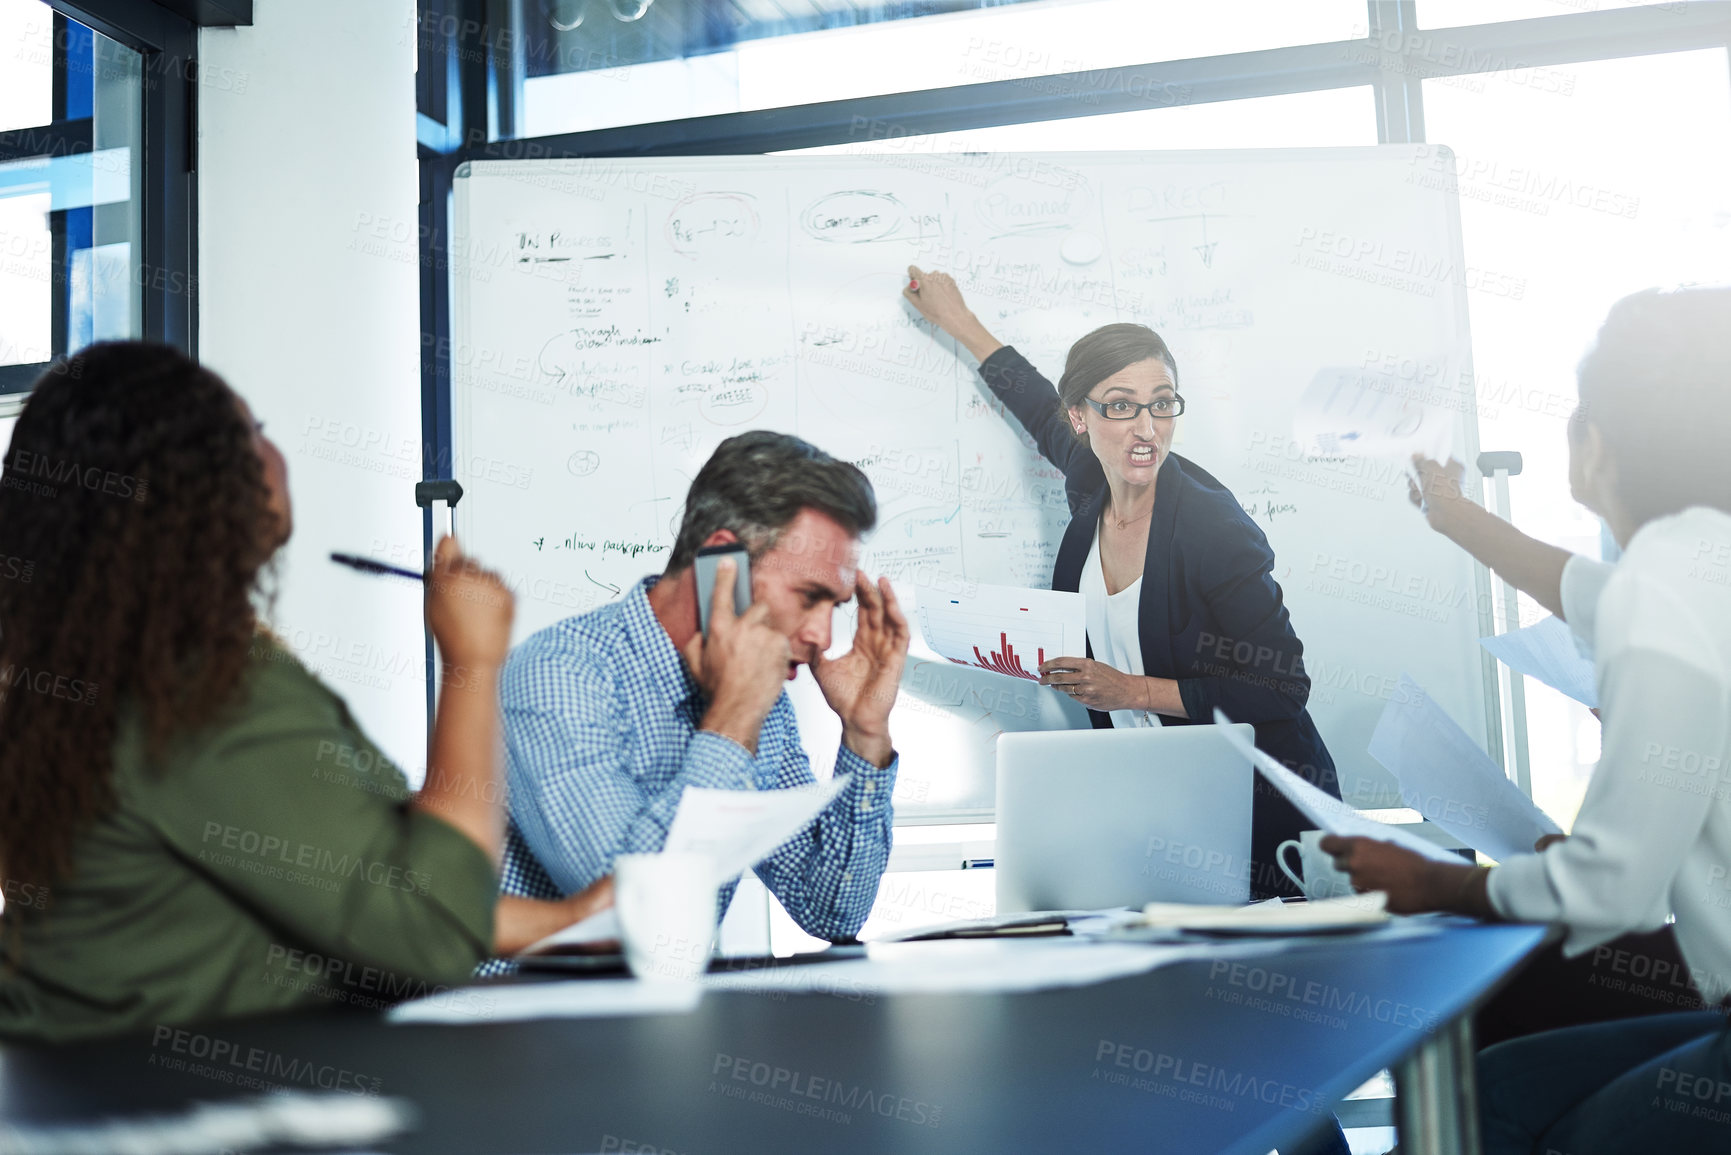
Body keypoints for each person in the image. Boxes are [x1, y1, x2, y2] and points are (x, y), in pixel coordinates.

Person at [0, 342, 610, 1043]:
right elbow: (429, 925)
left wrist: (568, 921)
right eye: (254, 431)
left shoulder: (101, 672)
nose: (275, 451)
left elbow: (334, 881)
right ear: (196, 481)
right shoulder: (200, 694)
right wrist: (472, 663)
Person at [1319, 287, 1731, 1153]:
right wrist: (1453, 515)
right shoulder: (1697, 559)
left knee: (1502, 1116)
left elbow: (1612, 886)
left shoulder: (1663, 579)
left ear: (1594, 443)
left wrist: (1438, 882)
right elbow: (1591, 594)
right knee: (1493, 1089)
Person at [901, 266, 1339, 901]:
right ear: (1081, 417)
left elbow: (1281, 686)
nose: (1145, 427)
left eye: (1161, 403)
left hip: (1266, 817)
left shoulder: (1213, 528)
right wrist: (959, 322)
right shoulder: (1093, 484)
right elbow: (1035, 406)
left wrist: (1128, 690)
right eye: (1120, 405)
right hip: (1160, 809)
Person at [497, 431, 911, 947]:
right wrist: (733, 718)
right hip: (522, 1015)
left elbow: (831, 910)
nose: (822, 638)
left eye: (837, 607)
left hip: (660, 1016)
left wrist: (865, 732)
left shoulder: (761, 697)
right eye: (809, 597)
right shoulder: (559, 674)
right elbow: (632, 922)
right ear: (725, 567)